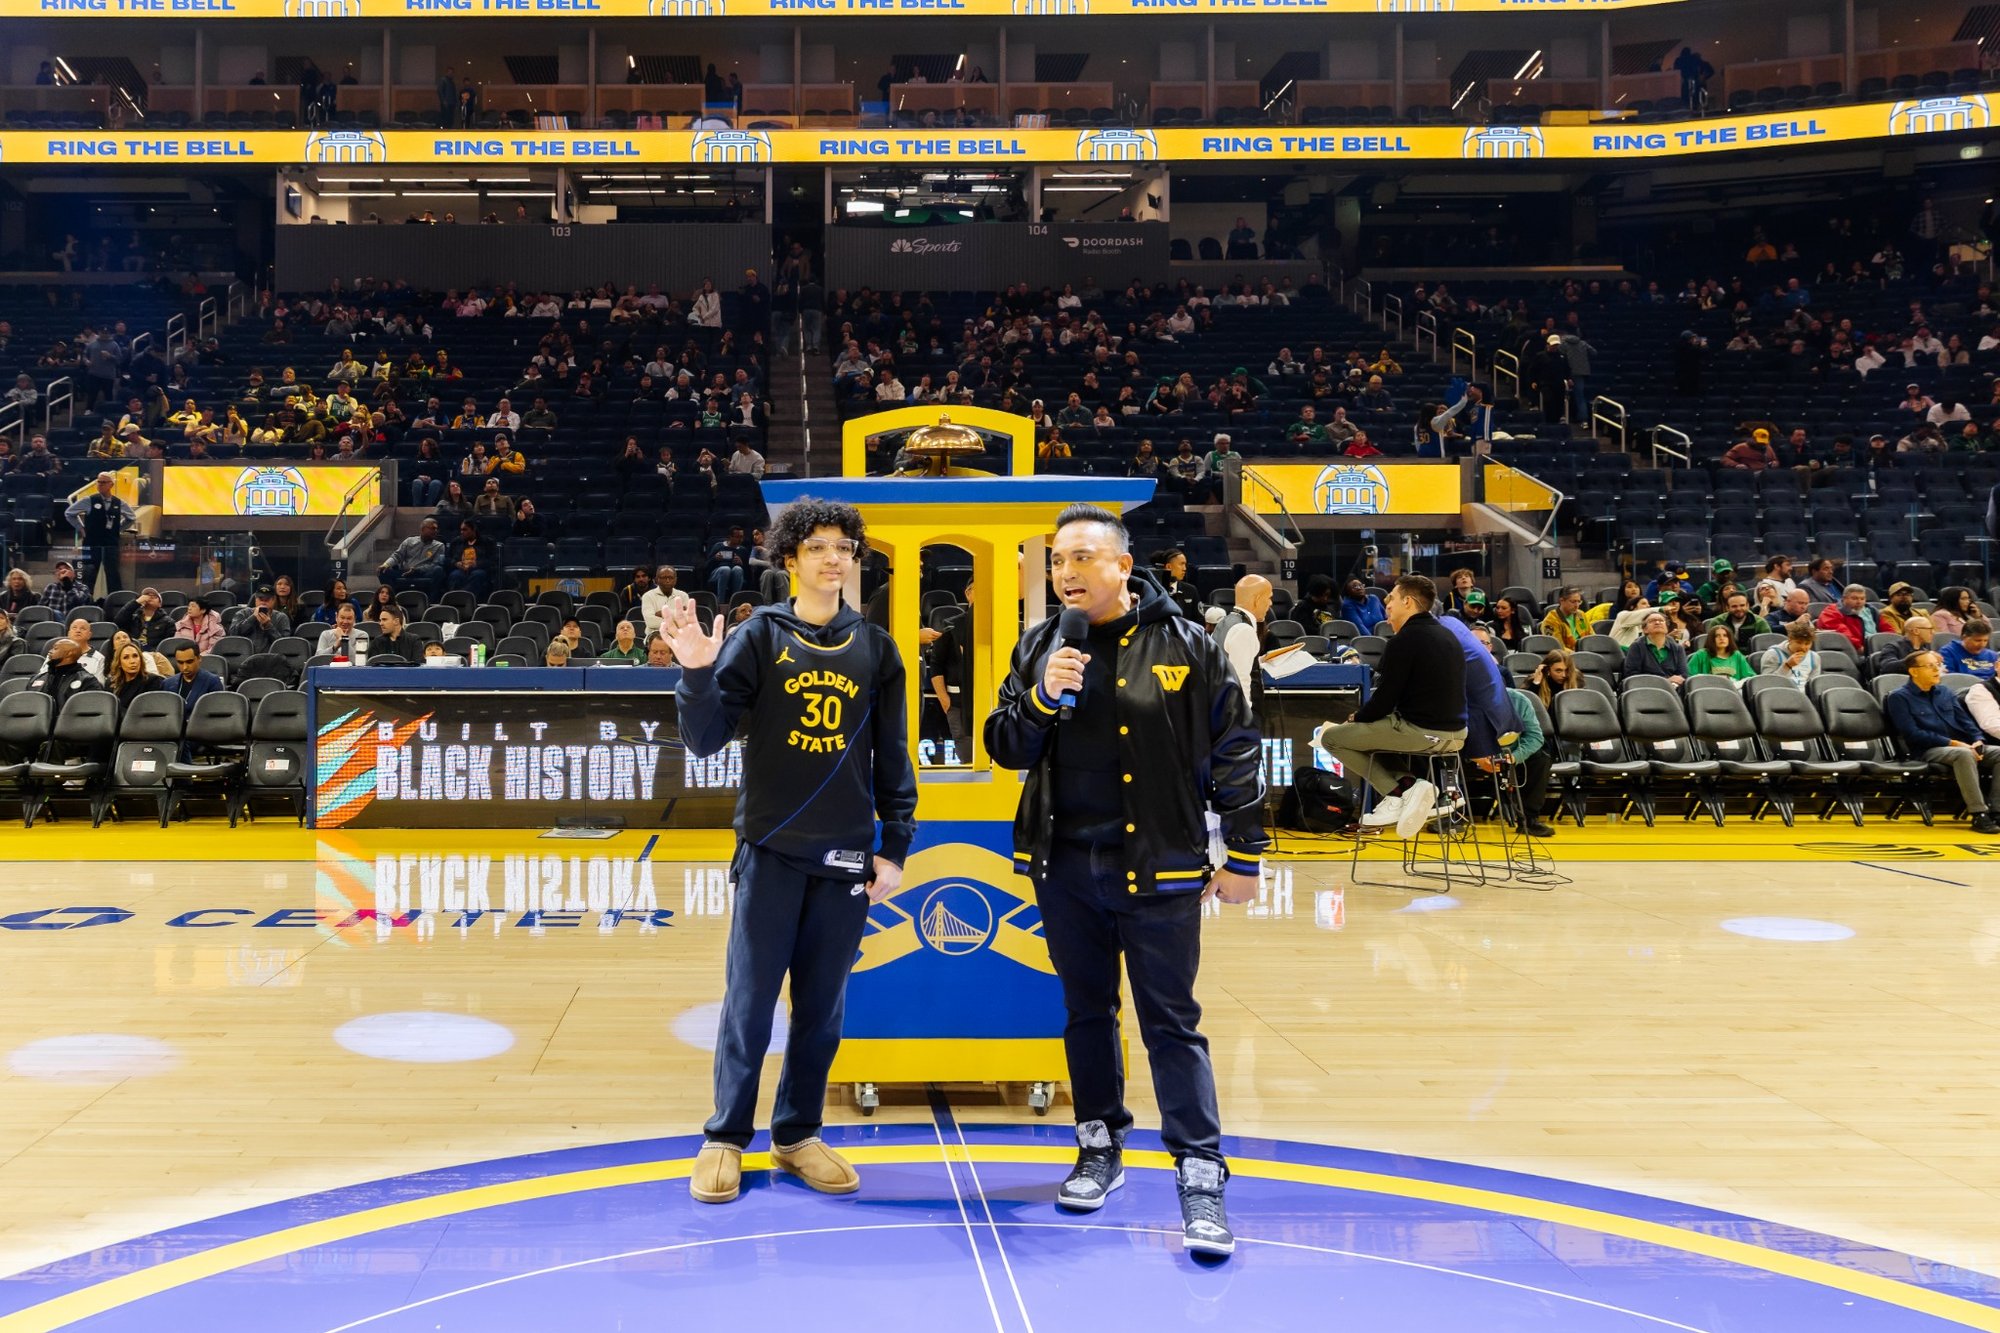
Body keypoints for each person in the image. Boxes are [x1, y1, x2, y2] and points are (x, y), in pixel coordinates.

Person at [984, 502, 1264, 1258]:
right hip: (1065, 865)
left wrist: (1244, 854)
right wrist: (1041, 698)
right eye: (1056, 561)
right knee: (1087, 1012)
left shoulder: (1189, 643)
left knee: (1171, 1021)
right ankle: (1099, 1145)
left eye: (1081, 558)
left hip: (1161, 866)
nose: (1065, 573)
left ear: (1122, 565)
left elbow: (1236, 745)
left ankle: (1199, 1173)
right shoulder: (1041, 645)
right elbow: (1005, 744)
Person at [665, 498, 916, 1209]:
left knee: (821, 1010)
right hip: (771, 849)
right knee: (749, 1003)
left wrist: (895, 845)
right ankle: (725, 1136)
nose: (833, 558)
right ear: (789, 559)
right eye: (817, 547)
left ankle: (798, 1132)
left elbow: (894, 755)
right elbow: (704, 739)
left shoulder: (877, 648)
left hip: (846, 858)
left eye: (844, 548)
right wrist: (695, 674)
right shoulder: (760, 635)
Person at [1313, 574, 1467, 839]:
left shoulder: (1404, 640)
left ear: (1408, 602)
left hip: (1423, 731)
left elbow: (1384, 701)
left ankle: (1398, 794)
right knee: (1371, 738)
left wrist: (1357, 718)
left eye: (1391, 599)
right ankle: (1411, 788)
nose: (1387, 605)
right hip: (1457, 733)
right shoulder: (1448, 635)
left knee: (1332, 738)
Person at [1885, 651, 2000, 834]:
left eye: (1937, 665)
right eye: (1930, 666)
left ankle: (1997, 811)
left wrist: (1978, 739)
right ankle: (1979, 813)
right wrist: (1953, 743)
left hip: (1962, 745)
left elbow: (1965, 722)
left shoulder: (1945, 692)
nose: (1936, 670)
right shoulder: (1898, 697)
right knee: (1963, 754)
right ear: (1914, 671)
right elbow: (1912, 734)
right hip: (1927, 750)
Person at [1488, 686, 1553, 838]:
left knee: (1541, 758)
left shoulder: (1519, 700)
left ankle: (1529, 820)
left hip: (1511, 752)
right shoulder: (1468, 700)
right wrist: (1480, 756)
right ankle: (1451, 817)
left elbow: (1535, 736)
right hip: (1477, 752)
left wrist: (1515, 757)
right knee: (1450, 758)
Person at [64, 471, 136, 596]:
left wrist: (118, 529)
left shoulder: (119, 503)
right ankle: (85, 600)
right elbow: (69, 513)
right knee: (89, 574)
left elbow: (131, 517)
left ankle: (116, 601)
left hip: (111, 544)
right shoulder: (89, 500)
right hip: (92, 543)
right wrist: (80, 528)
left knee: (113, 575)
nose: (100, 484)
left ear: (111, 485)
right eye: (98, 482)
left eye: (103, 482)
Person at [1215, 574, 1270, 689]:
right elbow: (1241, 681)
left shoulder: (1224, 622)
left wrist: (1258, 661)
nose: (1270, 603)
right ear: (1257, 600)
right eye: (1269, 598)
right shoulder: (1243, 630)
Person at [379, 516, 448, 600]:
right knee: (383, 571)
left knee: (439, 570)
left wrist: (417, 569)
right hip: (405, 572)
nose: (435, 531)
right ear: (423, 529)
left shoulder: (439, 546)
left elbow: (435, 564)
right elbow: (397, 555)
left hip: (424, 573)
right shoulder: (409, 541)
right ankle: (394, 599)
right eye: (433, 528)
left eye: (436, 529)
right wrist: (386, 564)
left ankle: (432, 601)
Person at [1621, 611, 1688, 684]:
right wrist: (1665, 681)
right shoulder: (1636, 647)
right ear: (1645, 629)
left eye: (1661, 621)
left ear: (1667, 628)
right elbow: (1631, 675)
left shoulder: (1678, 648)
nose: (1657, 622)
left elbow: (1683, 675)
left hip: (1673, 687)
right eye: (1652, 621)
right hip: (1645, 687)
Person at [30, 639, 100, 706]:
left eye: (55, 648)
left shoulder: (87, 680)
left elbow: (92, 708)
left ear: (69, 653)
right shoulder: (37, 678)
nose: (50, 651)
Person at [1816, 583, 1880, 653]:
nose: (1859, 602)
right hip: (1851, 651)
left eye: (1862, 599)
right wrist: (1859, 647)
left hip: (1875, 648)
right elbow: (1844, 633)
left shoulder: (1871, 610)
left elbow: (1886, 629)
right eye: (1854, 598)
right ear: (1844, 598)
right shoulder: (1831, 613)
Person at [1758, 619, 1820, 686]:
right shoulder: (1773, 654)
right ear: (1790, 640)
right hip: (1779, 691)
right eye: (1799, 642)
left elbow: (1813, 686)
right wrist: (1787, 666)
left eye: (1807, 644)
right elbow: (1767, 684)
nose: (1802, 647)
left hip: (1802, 692)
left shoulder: (1814, 657)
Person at [165, 643, 225, 711]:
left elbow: (217, 711)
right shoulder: (167, 684)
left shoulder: (212, 682)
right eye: (180, 662)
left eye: (189, 662)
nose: (185, 667)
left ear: (199, 658)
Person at [117, 586, 177, 652]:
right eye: (146, 595)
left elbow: (167, 645)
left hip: (154, 654)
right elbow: (118, 621)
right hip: (133, 652)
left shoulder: (168, 622)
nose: (149, 597)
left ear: (159, 604)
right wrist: (136, 602)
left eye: (154, 596)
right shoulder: (134, 618)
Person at [104, 642, 158, 714]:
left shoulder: (152, 681)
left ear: (141, 659)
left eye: (135, 656)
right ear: (119, 663)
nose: (132, 661)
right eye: (126, 657)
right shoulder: (110, 683)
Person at [1687, 624, 1754, 680]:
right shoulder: (1701, 654)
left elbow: (1750, 677)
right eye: (1717, 636)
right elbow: (1689, 676)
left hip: (1733, 689)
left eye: (1725, 635)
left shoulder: (1737, 655)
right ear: (1711, 639)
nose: (1721, 638)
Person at [641, 565, 692, 637]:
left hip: (678, 637)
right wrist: (676, 619)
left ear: (675, 580)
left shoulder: (683, 596)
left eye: (671, 578)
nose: (667, 581)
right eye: (664, 578)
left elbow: (686, 620)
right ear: (656, 580)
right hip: (654, 638)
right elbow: (651, 622)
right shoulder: (648, 596)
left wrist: (662, 613)